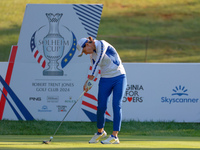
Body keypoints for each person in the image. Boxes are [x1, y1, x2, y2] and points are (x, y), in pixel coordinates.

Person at [76, 37, 127, 144]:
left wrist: (89, 80)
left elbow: (98, 62)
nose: (85, 53)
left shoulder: (102, 44)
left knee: (116, 105)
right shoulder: (91, 55)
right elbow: (94, 67)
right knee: (101, 106)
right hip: (105, 79)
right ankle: (100, 132)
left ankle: (115, 136)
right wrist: (89, 83)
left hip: (119, 77)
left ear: (87, 45)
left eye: (84, 51)